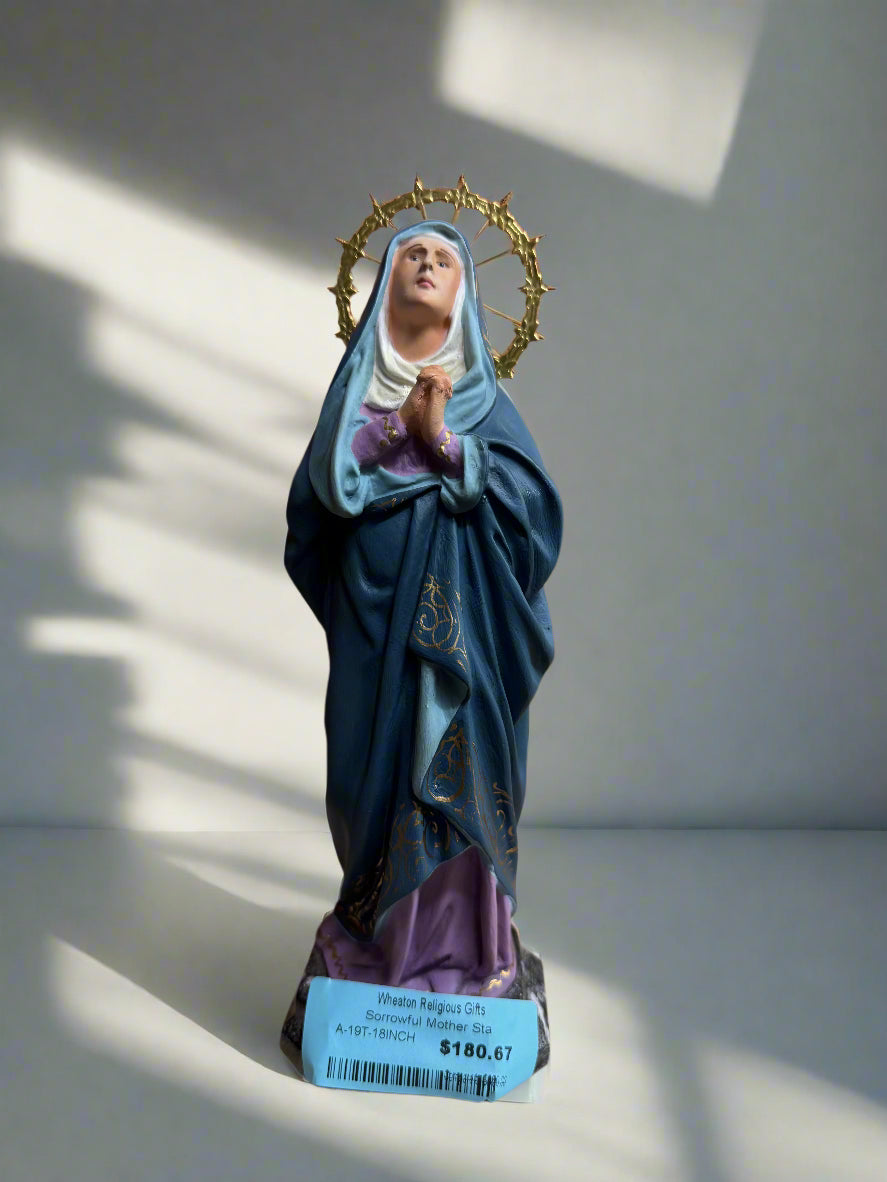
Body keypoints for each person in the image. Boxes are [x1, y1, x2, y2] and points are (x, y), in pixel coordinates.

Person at [280, 220, 561, 1055]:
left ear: (467, 291)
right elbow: (324, 495)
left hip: (466, 637)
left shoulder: (484, 403)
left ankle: (470, 952)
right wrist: (399, 425)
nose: (429, 263)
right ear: (383, 285)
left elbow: (532, 515)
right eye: (412, 254)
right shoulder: (356, 394)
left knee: (460, 776)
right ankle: (374, 943)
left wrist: (443, 440)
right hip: (375, 627)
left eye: (444, 257)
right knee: (371, 780)